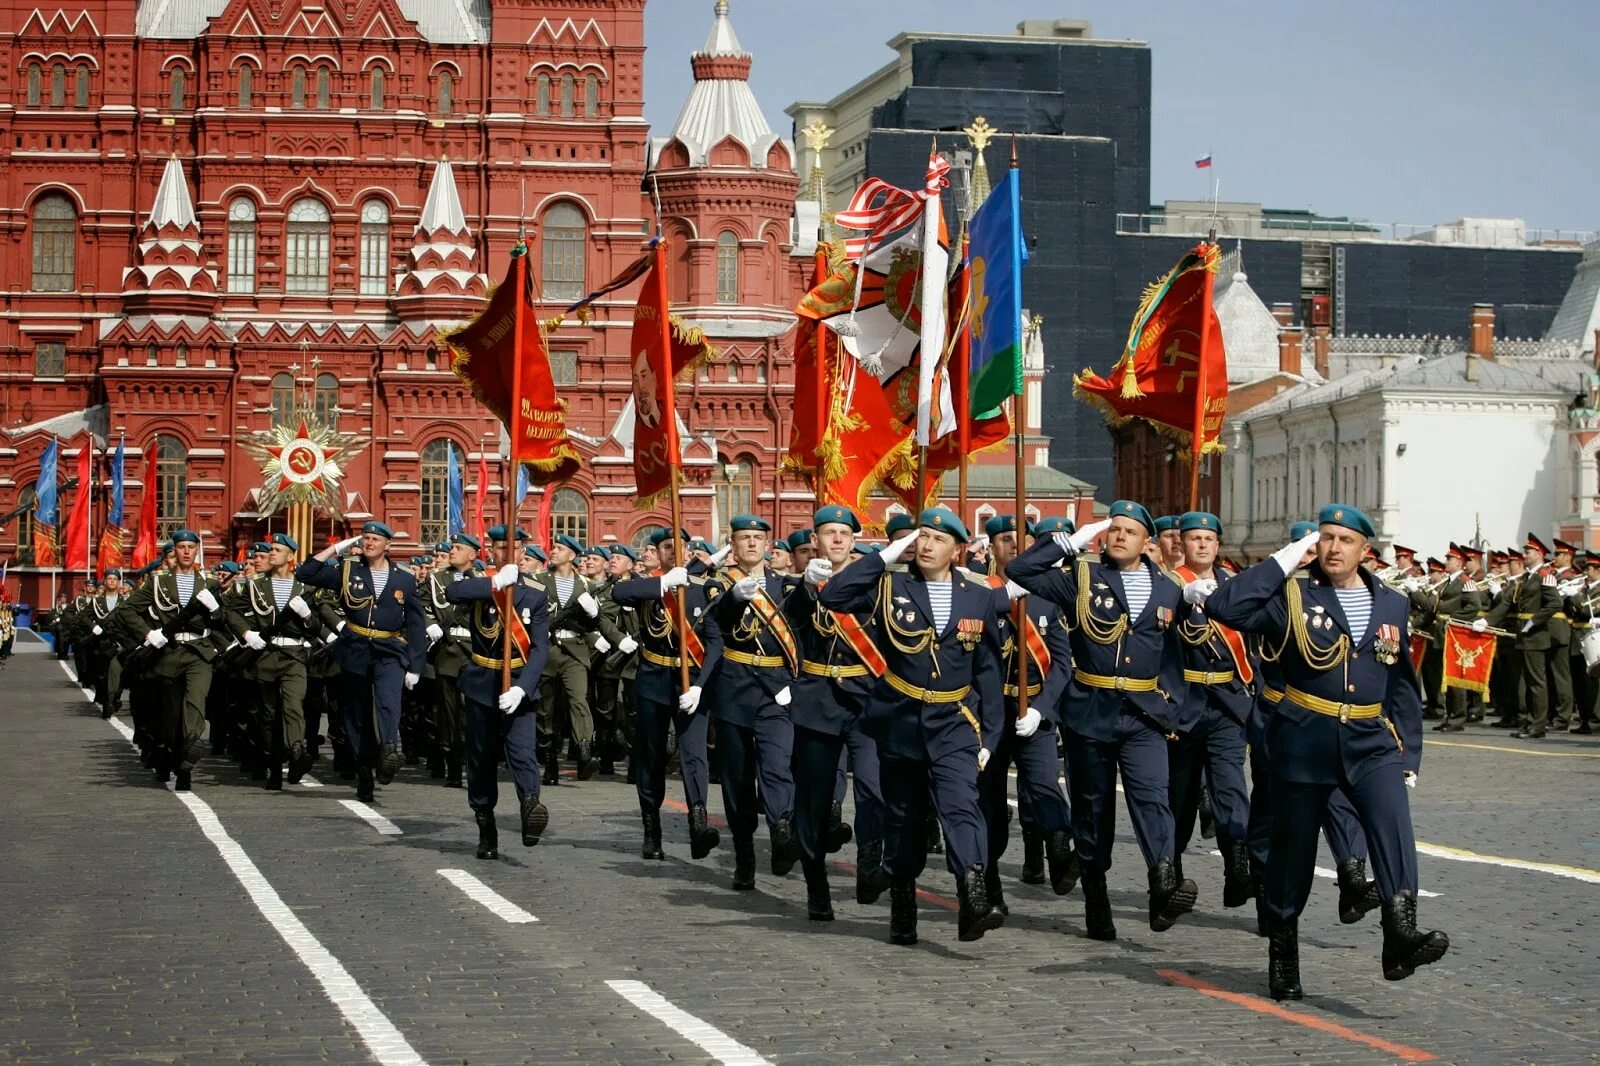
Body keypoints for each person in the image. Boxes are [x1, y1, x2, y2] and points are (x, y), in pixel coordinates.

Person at [1202, 504, 1446, 1001]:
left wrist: (1410, 756)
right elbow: (1223, 607)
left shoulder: (1392, 604)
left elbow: (1401, 686)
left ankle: (1401, 933)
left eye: (1345, 540)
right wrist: (1283, 560)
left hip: (1371, 742)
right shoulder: (1291, 594)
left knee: (1394, 827)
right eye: (1326, 538)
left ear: (1365, 550)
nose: (1334, 548)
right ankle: (1284, 949)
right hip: (1304, 738)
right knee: (1294, 854)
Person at [1007, 502, 1196, 941]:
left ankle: (1164, 883)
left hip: (1143, 714)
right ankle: (1096, 896)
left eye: (1130, 531)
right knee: (1093, 811)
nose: (1119, 536)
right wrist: (1067, 543)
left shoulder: (1169, 589)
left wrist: (1172, 703)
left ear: (1147, 542)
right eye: (1114, 529)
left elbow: (1178, 655)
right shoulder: (1082, 578)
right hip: (1090, 711)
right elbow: (1020, 570)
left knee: (1153, 797)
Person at [816, 507, 1006, 944]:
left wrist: (991, 735)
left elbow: (989, 671)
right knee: (904, 817)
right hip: (900, 717)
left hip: (954, 721)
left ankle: (972, 889)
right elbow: (834, 597)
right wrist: (882, 557)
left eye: (937, 540)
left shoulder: (977, 594)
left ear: (957, 549)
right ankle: (903, 897)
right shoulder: (891, 583)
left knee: (961, 805)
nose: (925, 545)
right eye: (921, 536)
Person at [973, 514, 1079, 919]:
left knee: (1046, 787)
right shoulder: (978, 592)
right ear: (992, 546)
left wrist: (1041, 709)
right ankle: (991, 884)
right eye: (1004, 539)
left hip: (1033, 711)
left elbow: (1062, 665)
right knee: (991, 807)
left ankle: (1060, 851)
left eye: (1023, 540)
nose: (1014, 547)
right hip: (990, 715)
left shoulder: (1049, 596)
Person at [785, 505, 887, 919]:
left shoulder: (875, 585)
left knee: (872, 787)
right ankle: (816, 884)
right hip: (818, 700)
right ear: (816, 541)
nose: (838, 540)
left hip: (866, 699)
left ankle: (868, 863)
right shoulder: (803, 587)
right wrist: (806, 590)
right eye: (829, 532)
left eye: (844, 532)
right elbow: (788, 624)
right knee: (814, 797)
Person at [611, 528, 725, 861]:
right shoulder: (649, 589)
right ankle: (651, 829)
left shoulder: (705, 589)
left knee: (694, 754)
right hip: (653, 680)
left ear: (690, 550)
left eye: (681, 546)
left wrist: (702, 684)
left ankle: (699, 825)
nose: (674, 551)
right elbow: (620, 593)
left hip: (691, 682)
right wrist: (662, 584)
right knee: (651, 755)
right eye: (666, 547)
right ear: (658, 553)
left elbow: (716, 642)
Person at [296, 522, 427, 802]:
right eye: (365, 538)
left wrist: (416, 665)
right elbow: (305, 573)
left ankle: (390, 749)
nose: (369, 543)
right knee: (356, 716)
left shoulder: (403, 578)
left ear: (387, 545)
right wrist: (336, 548)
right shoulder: (348, 571)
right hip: (355, 649)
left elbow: (416, 624)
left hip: (389, 649)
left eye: (375, 539)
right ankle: (365, 771)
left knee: (389, 701)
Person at [1166, 511, 1254, 910]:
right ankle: (1171, 874)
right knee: (1180, 797)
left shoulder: (1233, 587)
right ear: (1181, 544)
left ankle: (1238, 869)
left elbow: (1252, 644)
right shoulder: (1166, 586)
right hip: (1183, 706)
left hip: (1226, 705)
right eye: (1194, 538)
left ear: (1218, 546)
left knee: (1231, 788)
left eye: (1208, 539)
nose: (1201, 545)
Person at [708, 515, 800, 891]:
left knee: (777, 765)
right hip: (734, 688)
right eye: (743, 538)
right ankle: (744, 854)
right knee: (738, 777)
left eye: (757, 538)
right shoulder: (719, 585)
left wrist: (797, 683)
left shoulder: (787, 585)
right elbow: (713, 626)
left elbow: (802, 630)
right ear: (732, 544)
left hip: (776, 688)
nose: (750, 544)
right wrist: (733, 599)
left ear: (768, 545)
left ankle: (781, 829)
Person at [445, 559, 552, 858]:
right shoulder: (481, 587)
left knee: (523, 752)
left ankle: (531, 805)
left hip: (518, 683)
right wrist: (494, 584)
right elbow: (452, 592)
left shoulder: (535, 594)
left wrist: (523, 687)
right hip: (481, 684)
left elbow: (541, 647)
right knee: (480, 759)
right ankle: (485, 826)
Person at [114, 530, 229, 790]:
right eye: (181, 547)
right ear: (173, 551)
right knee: (170, 714)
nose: (186, 551)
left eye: (191, 546)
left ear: (197, 550)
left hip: (199, 651)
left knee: (196, 702)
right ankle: (170, 755)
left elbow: (222, 621)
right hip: (167, 653)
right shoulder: (158, 582)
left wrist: (215, 608)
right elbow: (126, 610)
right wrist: (148, 633)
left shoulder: (209, 582)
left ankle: (189, 754)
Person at [224, 533, 320, 789]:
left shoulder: (305, 589)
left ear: (291, 557)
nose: (273, 552)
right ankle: (273, 765)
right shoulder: (255, 586)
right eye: (272, 549)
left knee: (293, 704)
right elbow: (230, 611)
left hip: (294, 656)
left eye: (278, 549)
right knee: (268, 716)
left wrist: (308, 615)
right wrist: (246, 633)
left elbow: (316, 626)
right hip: (265, 656)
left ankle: (297, 751)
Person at [531, 534, 602, 783]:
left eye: (559, 548)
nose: (554, 551)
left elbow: (593, 622)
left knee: (579, 700)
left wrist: (594, 612)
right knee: (546, 711)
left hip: (575, 650)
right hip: (548, 650)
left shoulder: (587, 584)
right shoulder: (538, 580)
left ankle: (584, 746)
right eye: (554, 547)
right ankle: (550, 759)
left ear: (572, 556)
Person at [1482, 533, 1561, 739]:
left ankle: (1538, 725)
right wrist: (1487, 621)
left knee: (1537, 683)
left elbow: (1555, 604)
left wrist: (1534, 620)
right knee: (1526, 683)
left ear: (1539, 553)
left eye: (1528, 552)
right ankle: (1528, 720)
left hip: (1535, 634)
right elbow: (1507, 603)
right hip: (1522, 635)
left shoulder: (1546, 575)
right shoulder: (1525, 578)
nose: (1524, 555)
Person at [421, 533, 481, 787]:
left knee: (472, 713)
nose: (452, 551)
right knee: (448, 713)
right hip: (447, 651)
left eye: (458, 548)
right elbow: (421, 606)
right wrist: (430, 624)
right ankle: (452, 764)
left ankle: (473, 762)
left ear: (473, 555)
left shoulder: (482, 581)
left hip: (474, 652)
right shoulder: (437, 579)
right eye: (452, 547)